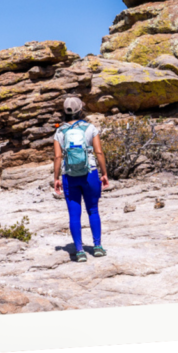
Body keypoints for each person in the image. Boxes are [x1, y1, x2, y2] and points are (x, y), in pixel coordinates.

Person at [53, 96, 109, 262]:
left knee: (74, 215)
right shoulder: (90, 128)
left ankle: (79, 251)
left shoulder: (59, 131)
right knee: (93, 210)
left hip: (69, 175)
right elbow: (98, 152)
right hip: (89, 173)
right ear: (80, 109)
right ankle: (97, 247)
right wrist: (104, 173)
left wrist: (56, 177)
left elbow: (57, 157)